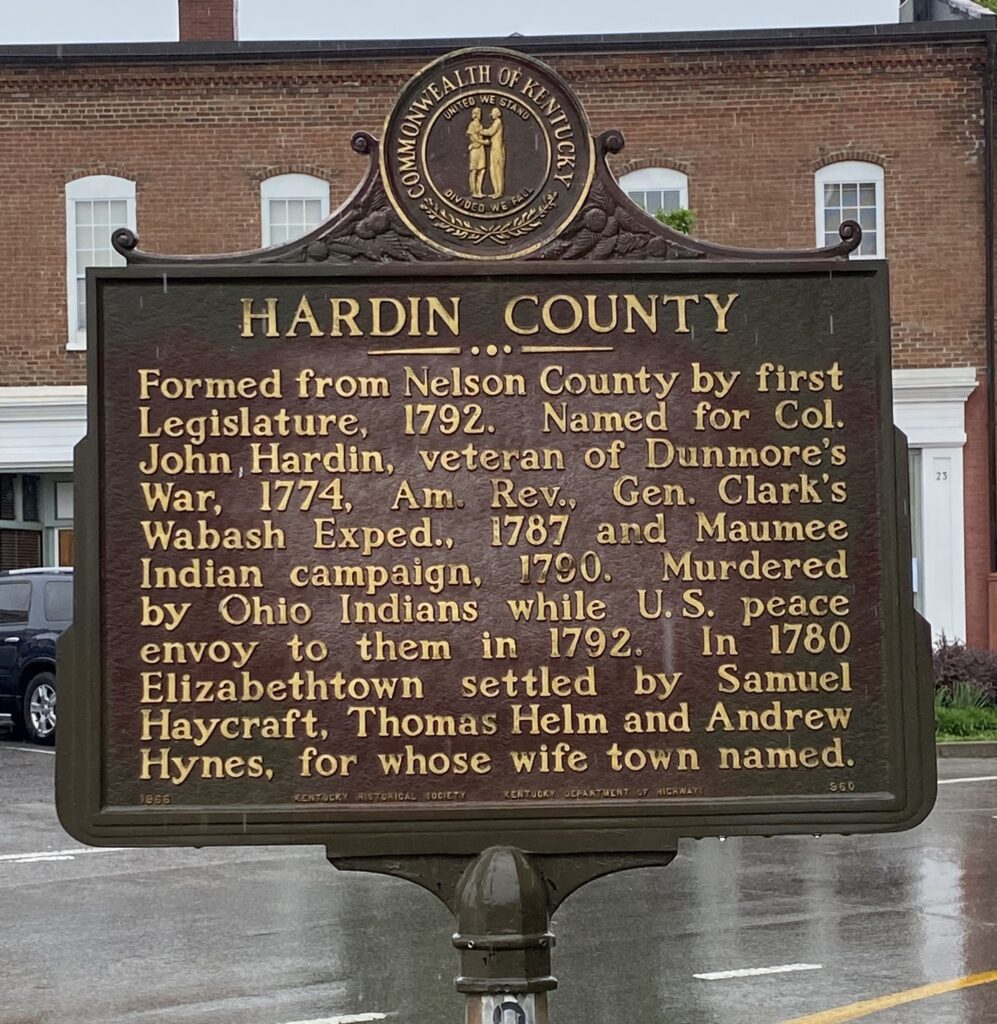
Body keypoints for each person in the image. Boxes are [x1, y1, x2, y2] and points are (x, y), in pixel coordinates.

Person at [482, 107, 505, 198]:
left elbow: (491, 132)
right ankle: (496, 191)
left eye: (492, 113)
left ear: (497, 114)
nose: (492, 115)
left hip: (498, 148)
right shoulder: (495, 122)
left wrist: (479, 131)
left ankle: (499, 192)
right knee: (493, 169)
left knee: (498, 170)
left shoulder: (498, 122)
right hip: (494, 148)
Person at [466, 108, 487, 198]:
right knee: (474, 170)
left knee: (482, 170)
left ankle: (479, 191)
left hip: (481, 149)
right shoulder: (472, 125)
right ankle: (473, 191)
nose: (480, 115)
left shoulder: (480, 125)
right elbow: (474, 138)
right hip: (475, 148)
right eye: (479, 113)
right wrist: (484, 142)